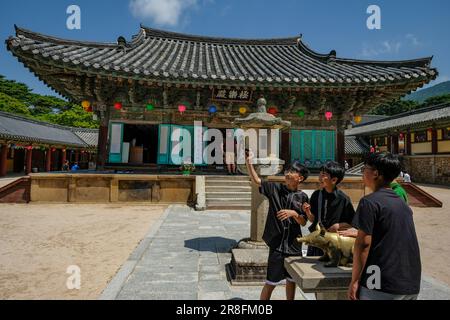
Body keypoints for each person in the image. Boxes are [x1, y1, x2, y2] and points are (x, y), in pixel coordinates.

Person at [349, 153, 421, 300]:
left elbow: (363, 244)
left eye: (365, 169)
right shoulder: (401, 203)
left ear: (376, 173)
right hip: (411, 281)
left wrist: (355, 280)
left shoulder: (369, 202)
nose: (363, 172)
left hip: (381, 281)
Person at [245, 150, 309, 300]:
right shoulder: (275, 189)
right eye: (288, 170)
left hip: (294, 244)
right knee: (271, 282)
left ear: (300, 178)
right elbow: (257, 181)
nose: (287, 173)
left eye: (292, 171)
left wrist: (294, 214)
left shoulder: (303, 197)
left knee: (291, 280)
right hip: (277, 245)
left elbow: (304, 221)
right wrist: (249, 163)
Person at [302, 161, 356, 257]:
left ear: (334, 180)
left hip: (334, 242)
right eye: (320, 174)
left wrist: (338, 226)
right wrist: (307, 211)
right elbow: (313, 220)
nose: (320, 177)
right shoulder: (316, 195)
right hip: (318, 241)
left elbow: (352, 223)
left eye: (324, 175)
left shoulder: (343, 198)